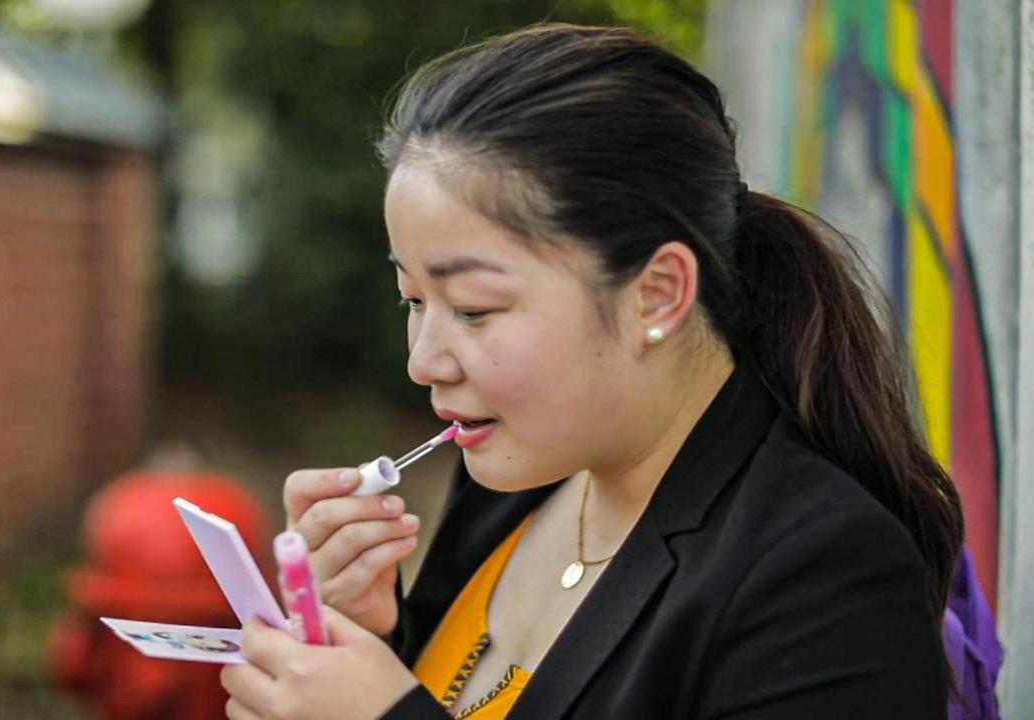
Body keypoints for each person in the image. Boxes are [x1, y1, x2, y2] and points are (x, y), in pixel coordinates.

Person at [220, 24, 965, 719]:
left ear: (657, 294)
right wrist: (364, 637)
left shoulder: (819, 575)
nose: (423, 361)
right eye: (413, 299)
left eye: (474, 308)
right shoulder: (520, 477)